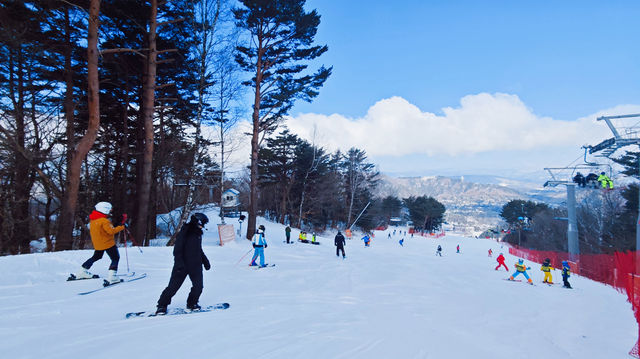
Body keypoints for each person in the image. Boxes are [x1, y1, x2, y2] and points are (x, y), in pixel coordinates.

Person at [156, 213, 211, 315]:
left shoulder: (198, 233)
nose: (203, 226)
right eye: (202, 223)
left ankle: (192, 303)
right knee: (173, 287)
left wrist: (205, 261)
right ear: (198, 221)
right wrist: (179, 263)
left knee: (198, 286)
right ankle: (161, 305)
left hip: (195, 265)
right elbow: (177, 250)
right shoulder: (185, 231)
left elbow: (198, 249)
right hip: (182, 265)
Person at [75, 202, 125, 284]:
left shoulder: (93, 219)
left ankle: (82, 271)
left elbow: (104, 230)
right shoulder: (104, 221)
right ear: (105, 210)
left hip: (98, 243)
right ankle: (112, 277)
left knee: (96, 257)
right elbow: (111, 231)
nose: (110, 212)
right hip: (108, 243)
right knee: (115, 258)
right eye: (109, 210)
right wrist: (121, 227)